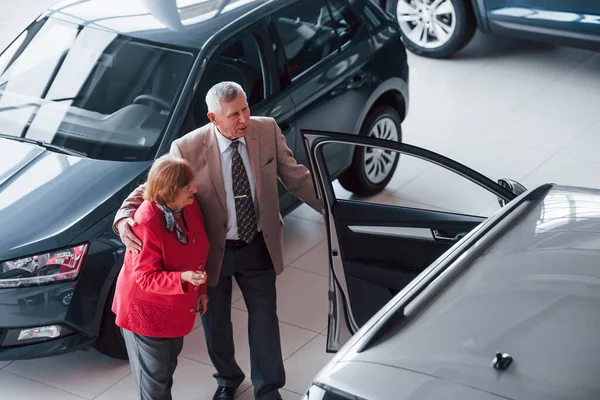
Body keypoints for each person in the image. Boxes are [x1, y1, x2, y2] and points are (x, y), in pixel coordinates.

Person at [113, 81, 321, 400]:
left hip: (258, 245)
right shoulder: (187, 148)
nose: (244, 119)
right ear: (213, 118)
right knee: (216, 322)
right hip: (212, 254)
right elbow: (154, 186)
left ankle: (268, 389)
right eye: (234, 114)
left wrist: (334, 210)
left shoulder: (266, 130)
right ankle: (227, 378)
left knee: (265, 318)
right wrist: (124, 214)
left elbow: (297, 178)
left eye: (246, 108)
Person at [111, 155, 210, 400]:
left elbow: (197, 250)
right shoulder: (145, 223)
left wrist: (201, 290)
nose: (195, 189)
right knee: (154, 387)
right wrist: (184, 279)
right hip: (146, 313)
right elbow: (145, 278)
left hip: (174, 306)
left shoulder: (187, 205)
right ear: (168, 192)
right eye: (188, 187)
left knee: (164, 373)